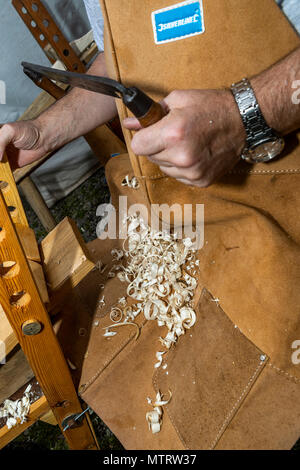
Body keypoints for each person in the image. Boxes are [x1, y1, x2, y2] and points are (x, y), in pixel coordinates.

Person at [0, 0, 299, 189]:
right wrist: (43, 132)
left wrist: (239, 116)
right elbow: (118, 64)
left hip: (284, 171)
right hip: (182, 195)